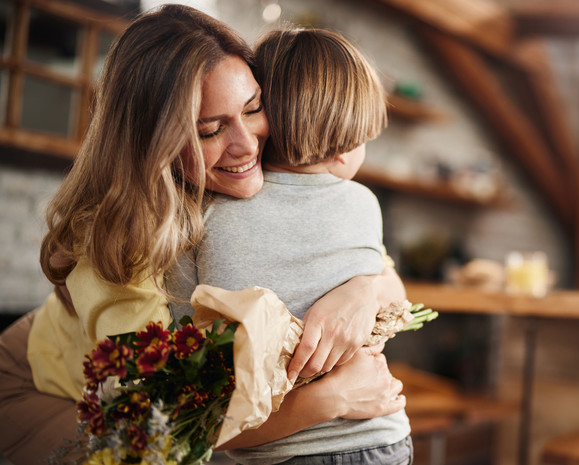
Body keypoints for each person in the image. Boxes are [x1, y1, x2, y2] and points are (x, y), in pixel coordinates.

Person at [0, 5, 405, 464]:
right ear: (157, 145)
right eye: (210, 131)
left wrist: (359, 292)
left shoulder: (253, 176)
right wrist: (330, 400)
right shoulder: (123, 244)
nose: (247, 145)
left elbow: (388, 282)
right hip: (35, 381)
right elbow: (158, 425)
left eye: (254, 108)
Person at [165, 28, 412, 464]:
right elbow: (396, 302)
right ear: (343, 149)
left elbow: (187, 352)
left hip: (271, 450)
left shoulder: (198, 216)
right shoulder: (362, 205)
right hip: (378, 436)